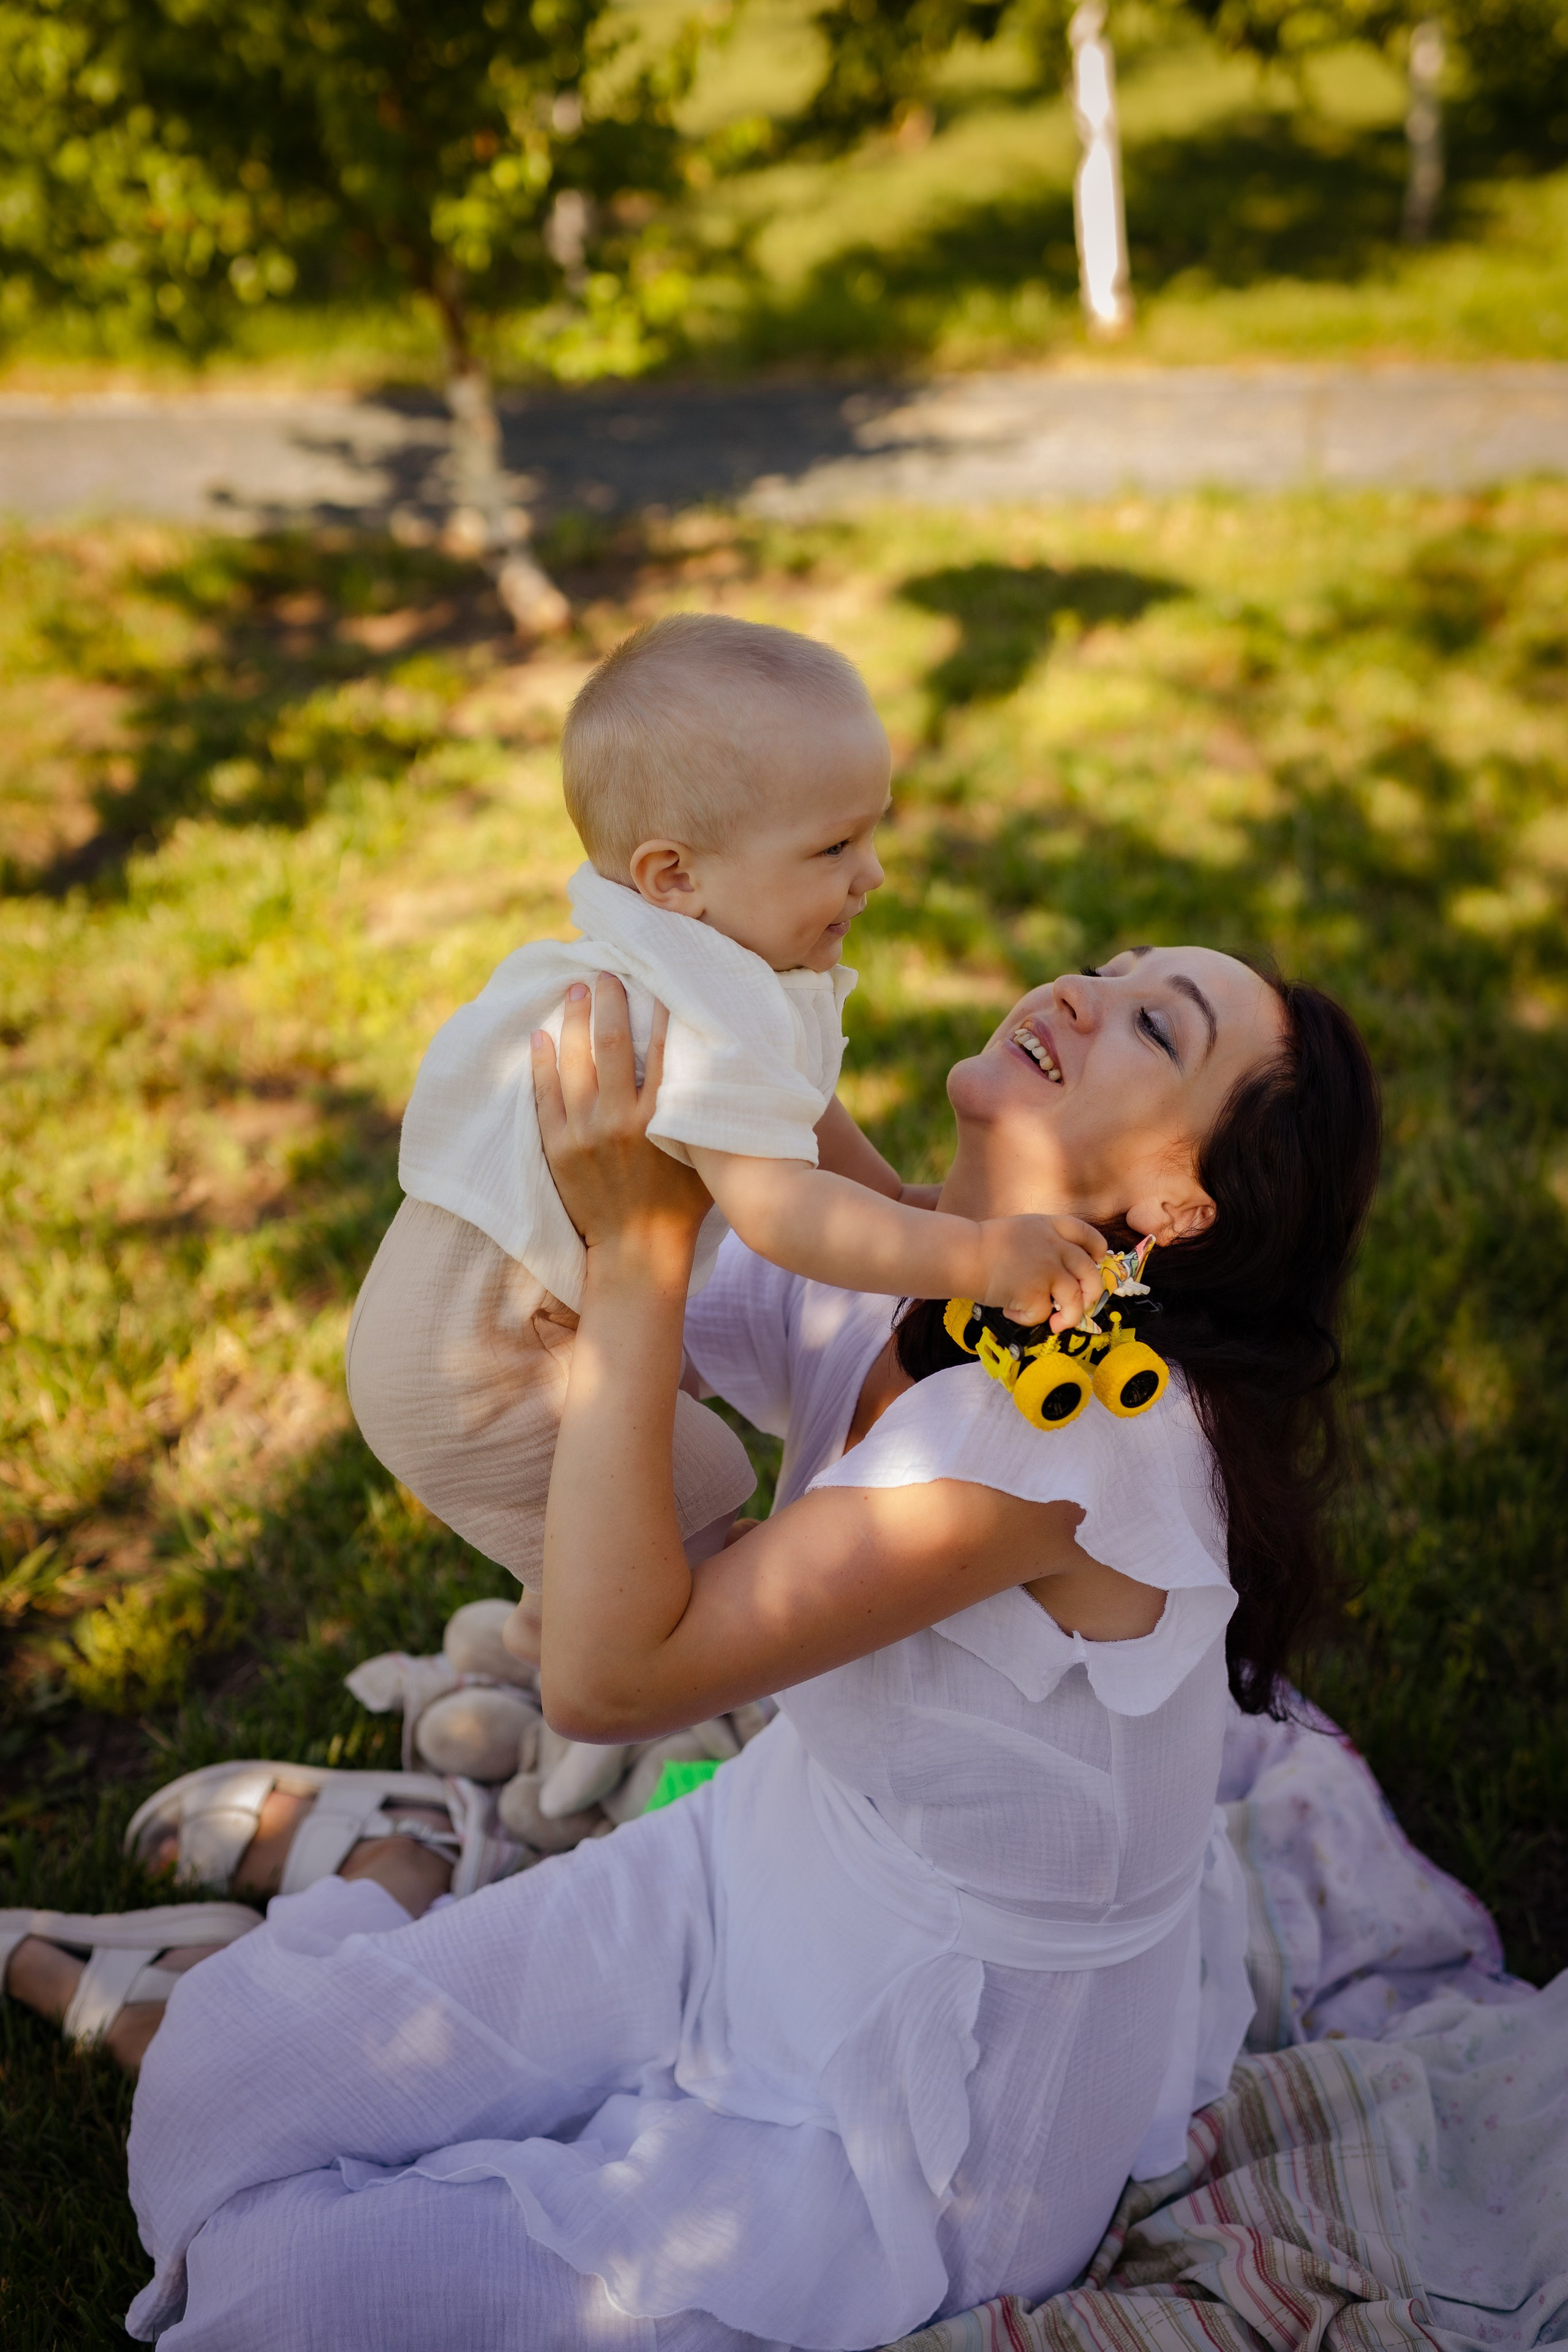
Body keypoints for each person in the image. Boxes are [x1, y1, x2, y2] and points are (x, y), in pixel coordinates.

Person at [3, 944, 1380, 2351]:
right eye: (1099, 966)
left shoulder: (1067, 1432)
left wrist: (639, 1254)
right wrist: (673, 1025)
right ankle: (402, 1873)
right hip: (764, 1861)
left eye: (1153, 1024)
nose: (1079, 992)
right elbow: (539, 1350)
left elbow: (608, 1682)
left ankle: (392, 1906)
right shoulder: (907, 1267)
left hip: (918, 2106)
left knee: (287, 2299)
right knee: (223, 2091)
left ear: (1174, 1206)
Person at [347, 614, 1110, 1658]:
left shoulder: (706, 967)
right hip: (478, 1361)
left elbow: (817, 1136)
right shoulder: (699, 1009)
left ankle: (538, 1634)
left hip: (464, 1333)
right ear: (674, 877)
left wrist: (907, 1206)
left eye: (872, 834)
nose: (873, 874)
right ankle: (624, 1693)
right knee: (688, 1505)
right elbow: (782, 1213)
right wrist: (974, 1260)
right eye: (834, 848)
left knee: (625, 1484)